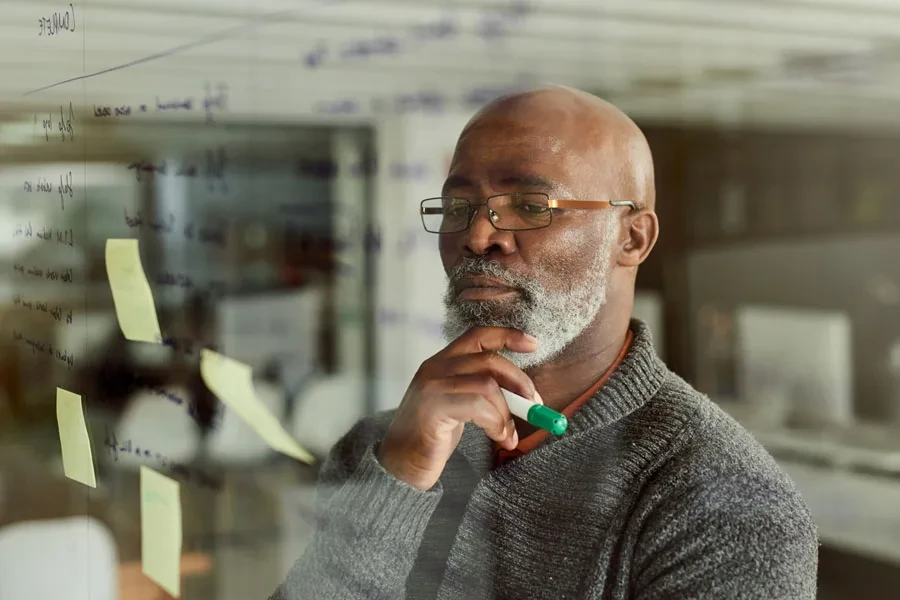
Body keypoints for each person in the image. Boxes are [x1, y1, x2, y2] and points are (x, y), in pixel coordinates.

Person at [270, 86, 818, 599]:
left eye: (532, 206)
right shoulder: (382, 448)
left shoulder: (727, 505)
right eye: (458, 208)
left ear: (632, 237)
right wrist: (398, 480)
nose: (478, 236)